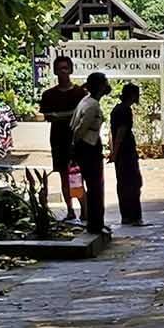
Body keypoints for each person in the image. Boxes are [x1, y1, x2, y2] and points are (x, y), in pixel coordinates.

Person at [39, 55, 82, 221]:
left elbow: (81, 116)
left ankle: (83, 208)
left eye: (65, 68)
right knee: (64, 176)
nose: (63, 72)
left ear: (70, 70)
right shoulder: (49, 94)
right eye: (59, 69)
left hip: (76, 140)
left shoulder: (79, 93)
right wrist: (69, 115)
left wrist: (60, 116)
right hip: (58, 140)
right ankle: (70, 209)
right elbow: (48, 116)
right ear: (55, 71)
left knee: (77, 176)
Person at [71, 71, 111, 236]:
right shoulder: (92, 105)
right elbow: (81, 129)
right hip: (89, 148)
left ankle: (95, 222)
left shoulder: (85, 101)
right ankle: (96, 224)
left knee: (93, 187)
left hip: (85, 148)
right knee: (95, 188)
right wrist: (77, 145)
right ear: (100, 86)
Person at [111, 82, 145, 226]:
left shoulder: (116, 109)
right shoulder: (125, 111)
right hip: (126, 152)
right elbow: (121, 132)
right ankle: (135, 216)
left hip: (121, 153)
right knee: (134, 183)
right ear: (132, 95)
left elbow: (113, 133)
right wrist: (115, 151)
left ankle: (125, 215)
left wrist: (113, 152)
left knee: (123, 183)